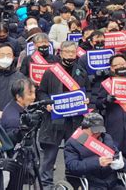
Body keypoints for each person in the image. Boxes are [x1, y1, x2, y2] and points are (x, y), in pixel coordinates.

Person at [36, 41, 89, 189]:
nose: (71, 55)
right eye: (67, 52)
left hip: (74, 120)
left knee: (73, 154)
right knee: (49, 156)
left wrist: (87, 100)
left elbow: (88, 91)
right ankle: (46, 185)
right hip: (55, 120)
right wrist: (46, 103)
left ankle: (71, 183)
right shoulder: (51, 72)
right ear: (61, 52)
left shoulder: (81, 72)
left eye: (73, 52)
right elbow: (41, 92)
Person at [96, 54, 126, 189]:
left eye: (123, 64)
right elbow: (98, 103)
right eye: (117, 65)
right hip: (113, 126)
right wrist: (106, 100)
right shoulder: (106, 84)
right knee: (114, 158)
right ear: (111, 68)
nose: (121, 67)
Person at [64, 112, 126, 190]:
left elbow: (118, 156)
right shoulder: (73, 142)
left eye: (99, 131)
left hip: (112, 182)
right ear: (84, 128)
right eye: (94, 131)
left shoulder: (106, 138)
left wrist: (121, 164)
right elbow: (72, 166)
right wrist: (97, 162)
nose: (97, 134)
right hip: (91, 183)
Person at [1, 78, 36, 144]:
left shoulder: (13, 107)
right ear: (18, 97)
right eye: (30, 94)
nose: (34, 97)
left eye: (34, 92)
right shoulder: (14, 119)